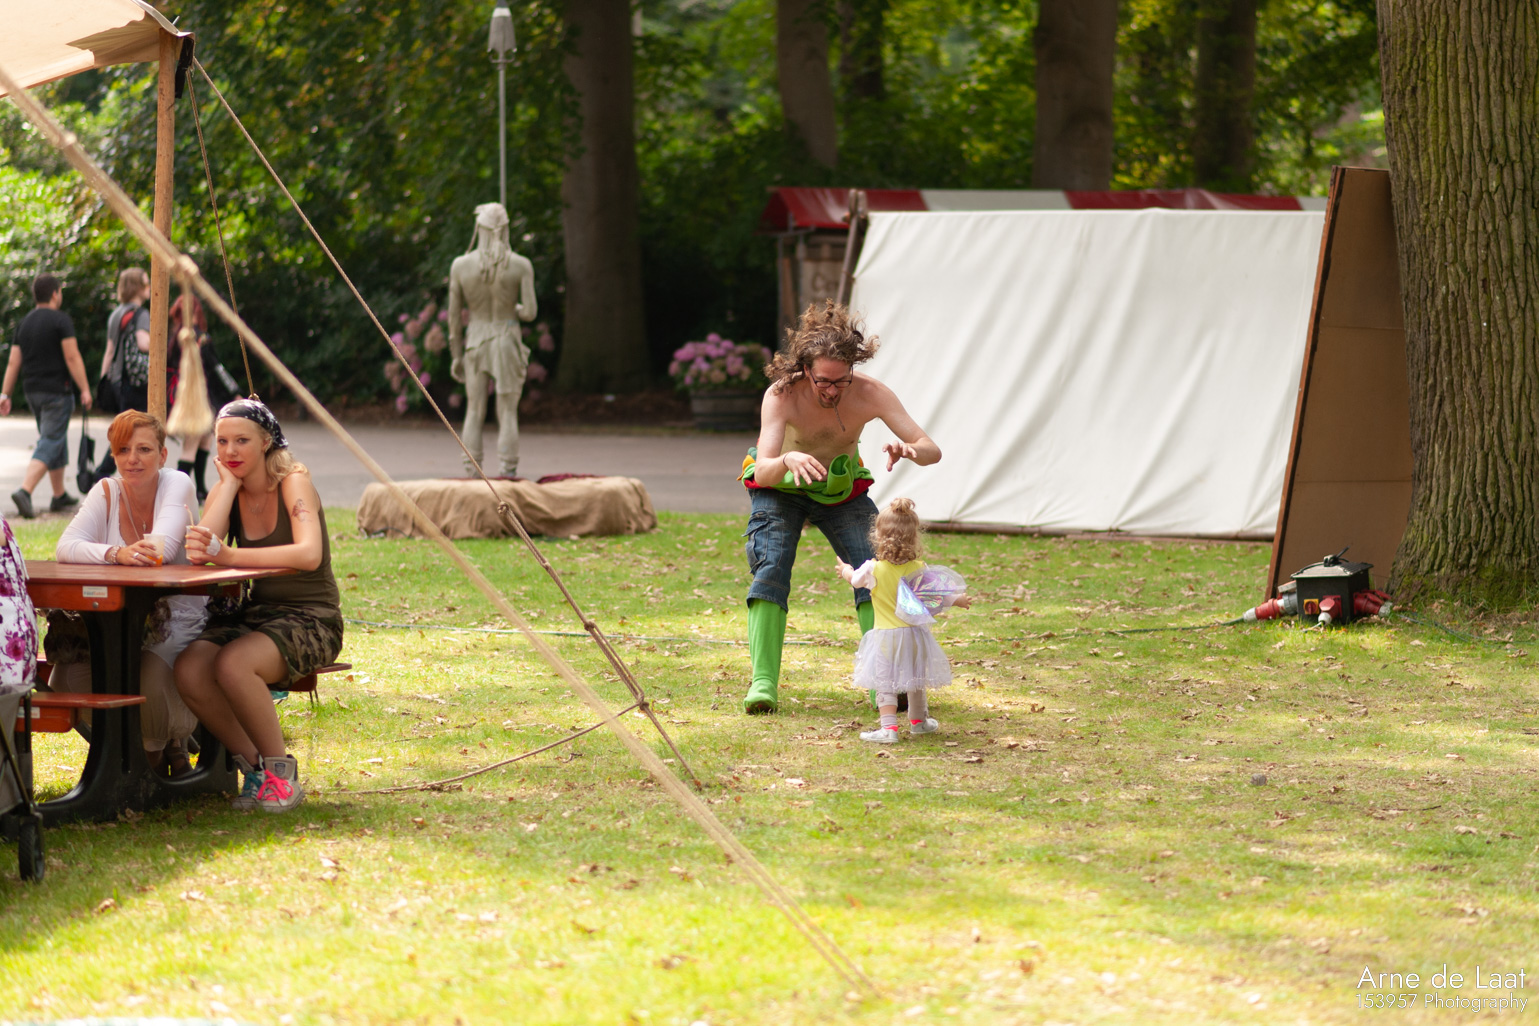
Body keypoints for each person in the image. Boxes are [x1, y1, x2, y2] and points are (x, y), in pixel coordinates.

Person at [738, 301, 941, 714]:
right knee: (771, 563)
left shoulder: (871, 393)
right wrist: (789, 459)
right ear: (805, 369)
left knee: (878, 567)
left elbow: (931, 449)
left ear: (852, 369)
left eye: (841, 381)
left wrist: (910, 450)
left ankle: (884, 683)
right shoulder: (781, 394)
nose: (832, 390)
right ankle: (763, 683)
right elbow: (763, 471)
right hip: (781, 487)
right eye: (823, 381)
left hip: (840, 488)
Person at [175, 399, 343, 813]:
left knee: (234, 663)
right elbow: (198, 553)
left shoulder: (293, 482)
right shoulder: (228, 487)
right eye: (222, 442)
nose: (230, 451)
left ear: (266, 442)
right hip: (261, 615)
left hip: (313, 618)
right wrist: (228, 487)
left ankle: (282, 776)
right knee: (190, 667)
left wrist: (231, 556)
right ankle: (255, 769)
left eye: (242, 441)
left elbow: (308, 554)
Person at [49, 411, 204, 776]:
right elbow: (65, 547)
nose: (132, 459)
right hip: (118, 617)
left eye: (144, 449)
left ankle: (148, 765)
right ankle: (145, 746)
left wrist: (117, 554)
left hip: (177, 614)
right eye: (123, 449)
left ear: (163, 455)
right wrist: (114, 553)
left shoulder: (177, 483)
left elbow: (159, 551)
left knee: (151, 678)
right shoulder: (106, 490)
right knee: (66, 679)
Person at [835, 498, 969, 742]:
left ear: (878, 535)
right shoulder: (919, 567)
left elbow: (854, 580)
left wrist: (845, 569)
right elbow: (935, 595)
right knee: (915, 678)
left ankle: (889, 729)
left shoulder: (873, 569)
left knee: (885, 681)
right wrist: (958, 599)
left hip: (886, 636)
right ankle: (919, 722)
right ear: (915, 537)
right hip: (915, 635)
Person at [447, 201, 537, 478]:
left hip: (476, 338)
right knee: (507, 411)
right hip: (507, 337)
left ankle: (472, 472)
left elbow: (454, 319)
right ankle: (507, 471)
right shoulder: (521, 265)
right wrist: (515, 309)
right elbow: (530, 312)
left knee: (474, 409)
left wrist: (456, 355)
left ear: (479, 228)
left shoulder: (460, 265)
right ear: (506, 228)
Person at [1, 273, 92, 519]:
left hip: (32, 392)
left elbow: (13, 362)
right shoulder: (61, 320)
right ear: (55, 293)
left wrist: (5, 393)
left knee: (54, 439)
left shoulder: (24, 323)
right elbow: (72, 357)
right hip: (56, 391)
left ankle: (59, 494)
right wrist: (85, 388)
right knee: (51, 440)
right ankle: (25, 491)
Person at [168, 293, 238, 501]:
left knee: (204, 441)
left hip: (182, 396)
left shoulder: (175, 338)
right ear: (197, 312)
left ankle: (199, 488)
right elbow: (216, 369)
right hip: (196, 398)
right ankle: (177, 493)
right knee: (191, 446)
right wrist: (234, 392)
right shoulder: (198, 338)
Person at [90, 267, 154, 485]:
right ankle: (102, 473)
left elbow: (110, 350)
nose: (149, 287)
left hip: (117, 380)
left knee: (126, 429)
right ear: (137, 287)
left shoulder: (116, 314)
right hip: (135, 381)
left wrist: (104, 380)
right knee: (132, 431)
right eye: (146, 283)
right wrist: (161, 343)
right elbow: (143, 343)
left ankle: (103, 473)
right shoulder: (141, 314)